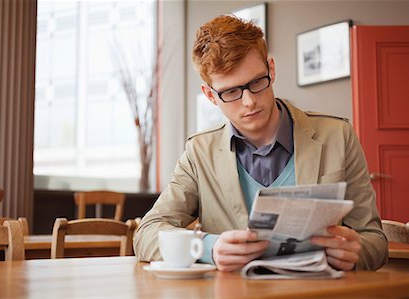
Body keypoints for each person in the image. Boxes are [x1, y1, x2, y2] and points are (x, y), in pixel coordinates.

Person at [134, 15, 388, 272]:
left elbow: (375, 242)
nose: (249, 102)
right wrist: (209, 248)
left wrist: (355, 252)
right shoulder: (199, 153)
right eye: (231, 92)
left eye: (256, 82)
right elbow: (146, 233)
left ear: (271, 70)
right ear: (210, 95)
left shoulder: (338, 135)